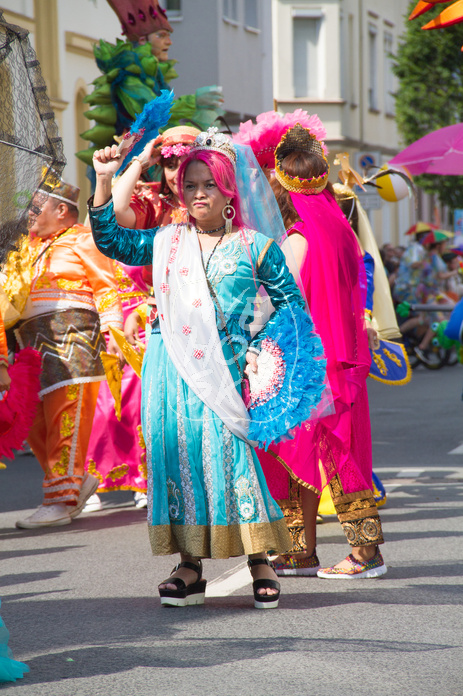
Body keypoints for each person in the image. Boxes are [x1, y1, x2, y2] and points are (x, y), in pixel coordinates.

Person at [88, 128, 327, 608]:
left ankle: (260, 558)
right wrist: (105, 178)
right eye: (190, 185)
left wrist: (262, 347)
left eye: (208, 186)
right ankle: (188, 566)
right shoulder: (165, 241)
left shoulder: (257, 246)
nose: (197, 194)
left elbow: (290, 306)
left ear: (228, 192)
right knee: (175, 458)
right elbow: (109, 238)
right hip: (168, 364)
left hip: (227, 367)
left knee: (231, 457)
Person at [236, 117, 386, 579]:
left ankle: (366, 553)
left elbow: (279, 302)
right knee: (309, 446)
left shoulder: (299, 237)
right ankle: (301, 550)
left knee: (329, 450)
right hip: (336, 355)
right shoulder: (339, 227)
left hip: (310, 362)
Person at [84, 126, 200, 511]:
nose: (174, 172)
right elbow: (113, 217)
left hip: (210, 322)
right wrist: (138, 162)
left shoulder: (223, 206)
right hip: (161, 319)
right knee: (155, 407)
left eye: (182, 161)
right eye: (167, 163)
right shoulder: (157, 206)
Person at [11, 178, 124, 529]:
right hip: (29, 344)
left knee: (65, 419)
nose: (28, 214)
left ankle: (60, 498)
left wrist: (114, 330)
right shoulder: (25, 248)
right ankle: (77, 482)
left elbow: (108, 284)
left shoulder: (82, 239)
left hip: (72, 338)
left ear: (61, 210)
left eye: (36, 207)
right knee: (27, 420)